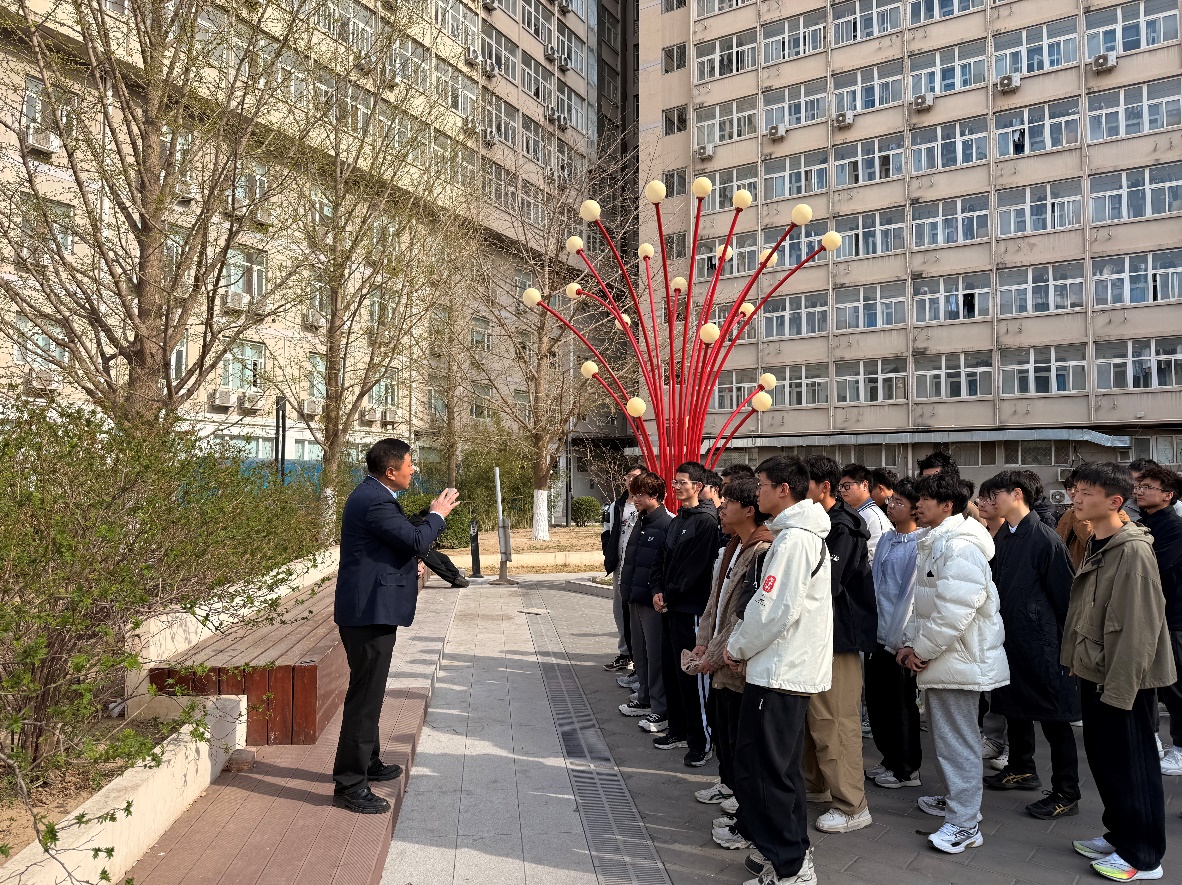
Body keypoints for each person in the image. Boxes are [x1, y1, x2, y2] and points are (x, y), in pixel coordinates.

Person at [332, 439, 459, 813]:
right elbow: (417, 538)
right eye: (409, 464)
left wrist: (408, 562)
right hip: (368, 613)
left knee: (369, 690)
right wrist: (437, 514)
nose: (413, 469)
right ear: (391, 471)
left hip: (369, 610)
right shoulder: (376, 500)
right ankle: (350, 784)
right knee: (365, 697)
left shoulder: (373, 495)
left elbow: (390, 545)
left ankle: (368, 762)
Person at [1062, 462, 1175, 882]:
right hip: (1098, 671)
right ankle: (1120, 835)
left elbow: (1138, 629)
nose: (1077, 498)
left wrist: (1121, 688)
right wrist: (1076, 660)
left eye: (1087, 493)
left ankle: (1144, 856)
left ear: (1114, 501)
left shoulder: (1132, 551)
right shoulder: (1099, 540)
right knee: (1106, 761)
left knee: (1133, 765)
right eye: (1076, 490)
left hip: (1124, 679)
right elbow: (1088, 611)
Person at [723, 455, 832, 885]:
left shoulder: (794, 541)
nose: (757, 492)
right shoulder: (793, 536)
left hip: (781, 673)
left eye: (762, 484)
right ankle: (791, 854)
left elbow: (772, 609)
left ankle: (791, 865)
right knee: (777, 771)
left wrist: (737, 646)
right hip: (780, 669)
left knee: (767, 773)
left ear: (783, 489)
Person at [899, 471, 1008, 854]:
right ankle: (957, 801)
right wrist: (911, 642)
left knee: (957, 741)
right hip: (947, 659)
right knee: (948, 740)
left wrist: (921, 650)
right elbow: (926, 605)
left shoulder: (959, 546)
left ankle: (964, 823)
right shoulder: (939, 541)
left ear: (947, 505)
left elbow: (955, 611)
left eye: (924, 499)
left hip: (958, 660)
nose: (917, 506)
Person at [982, 471, 1082, 820]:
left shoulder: (1044, 539)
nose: (989, 501)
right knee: (1014, 707)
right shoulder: (1006, 535)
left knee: (1054, 720)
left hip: (1043, 645)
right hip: (1012, 640)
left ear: (1017, 494)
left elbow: (1065, 600)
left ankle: (1066, 792)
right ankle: (1022, 767)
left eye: (995, 495)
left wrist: (1068, 649)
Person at [690, 475, 772, 817]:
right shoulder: (735, 545)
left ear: (749, 510)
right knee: (722, 726)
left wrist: (715, 654)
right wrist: (703, 642)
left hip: (736, 659)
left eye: (728, 504)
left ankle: (742, 795)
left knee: (739, 732)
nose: (720, 509)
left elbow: (743, 614)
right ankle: (727, 782)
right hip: (718, 653)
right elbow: (716, 600)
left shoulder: (762, 550)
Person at [802, 455, 875, 834]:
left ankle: (851, 805)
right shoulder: (817, 522)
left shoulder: (842, 527)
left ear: (824, 488)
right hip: (817, 637)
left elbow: (825, 584)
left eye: (804, 484)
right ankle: (817, 787)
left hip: (838, 638)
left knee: (836, 720)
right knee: (812, 718)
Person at [656, 461, 719, 766]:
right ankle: (678, 730)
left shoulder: (706, 521)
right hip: (671, 607)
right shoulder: (678, 518)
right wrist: (658, 590)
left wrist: (669, 594)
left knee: (693, 676)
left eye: (683, 482)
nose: (677, 487)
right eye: (675, 482)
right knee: (673, 672)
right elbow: (663, 560)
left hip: (691, 608)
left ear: (698, 486)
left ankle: (701, 741)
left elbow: (694, 569)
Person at [865, 477, 926, 790]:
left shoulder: (918, 544)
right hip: (877, 633)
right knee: (878, 703)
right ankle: (889, 758)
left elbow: (910, 598)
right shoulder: (888, 538)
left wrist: (900, 640)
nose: (891, 506)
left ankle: (906, 768)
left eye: (899, 502)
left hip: (899, 639)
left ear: (915, 509)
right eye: (892, 500)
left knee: (900, 705)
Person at [1133, 465, 1182, 777]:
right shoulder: (1145, 522)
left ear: (1168, 495)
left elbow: (1154, 569)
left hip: (1174, 616)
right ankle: (1151, 739)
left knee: (1176, 686)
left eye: (1148, 487)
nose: (1139, 491)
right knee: (1149, 681)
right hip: (1152, 615)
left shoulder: (1174, 528)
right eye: (1139, 486)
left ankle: (1181, 749)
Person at [618, 471, 673, 733]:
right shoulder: (639, 520)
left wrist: (658, 592)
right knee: (639, 653)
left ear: (655, 495)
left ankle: (659, 708)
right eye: (634, 493)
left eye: (640, 494)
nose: (635, 499)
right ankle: (644, 698)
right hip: (634, 597)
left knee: (655, 656)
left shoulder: (666, 523)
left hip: (652, 601)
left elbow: (663, 566)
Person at [602, 466, 644, 672]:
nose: (631, 480)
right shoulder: (616, 506)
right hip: (620, 566)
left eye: (636, 477)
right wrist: (609, 556)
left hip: (639, 567)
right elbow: (606, 533)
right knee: (619, 609)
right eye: (629, 477)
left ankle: (639, 657)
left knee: (636, 612)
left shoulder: (646, 506)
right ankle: (625, 653)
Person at [1057, 466, 1130, 569]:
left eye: (1085, 492)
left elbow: (1097, 545)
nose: (1075, 495)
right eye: (1075, 489)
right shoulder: (1068, 514)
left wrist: (1080, 517)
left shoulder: (1118, 517)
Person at [839, 463, 891, 563]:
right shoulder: (856, 513)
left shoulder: (873, 516)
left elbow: (878, 558)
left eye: (847, 486)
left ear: (865, 485)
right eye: (840, 486)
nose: (842, 490)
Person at [917, 451, 980, 521]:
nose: (927, 483)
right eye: (924, 478)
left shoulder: (968, 510)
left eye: (933, 478)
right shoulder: (918, 507)